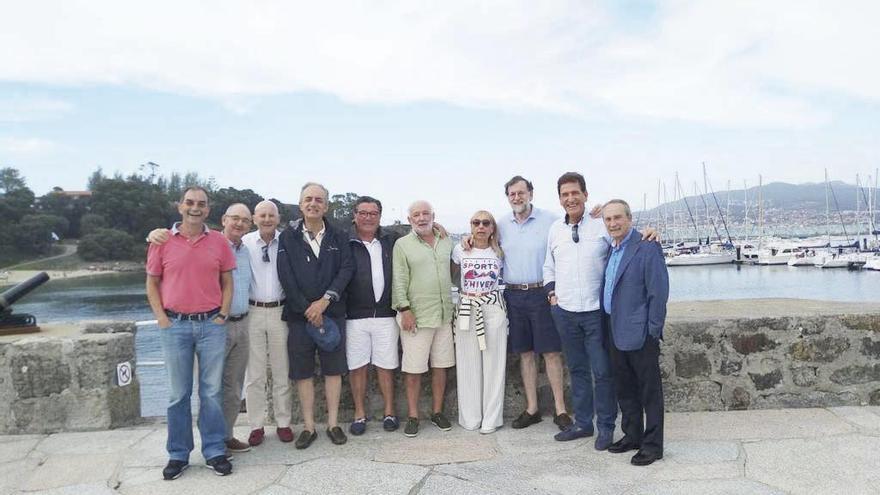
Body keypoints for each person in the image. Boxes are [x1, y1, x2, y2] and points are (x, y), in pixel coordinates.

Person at [145, 187, 235, 479]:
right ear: (180, 206)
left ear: (208, 210)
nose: (195, 208)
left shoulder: (219, 242)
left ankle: (214, 450)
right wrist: (161, 319)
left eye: (201, 204)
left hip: (212, 324)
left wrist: (223, 314)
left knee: (211, 392)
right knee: (177, 394)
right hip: (175, 325)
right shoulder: (161, 241)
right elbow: (152, 284)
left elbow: (227, 282)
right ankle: (178, 454)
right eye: (190, 203)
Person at [277, 182, 354, 449]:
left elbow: (346, 270)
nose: (313, 203)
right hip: (300, 316)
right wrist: (308, 309)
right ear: (300, 204)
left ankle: (333, 424)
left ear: (326, 206)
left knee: (334, 370)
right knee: (303, 373)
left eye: (319, 200)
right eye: (308, 199)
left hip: (333, 313)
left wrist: (324, 302)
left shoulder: (340, 236)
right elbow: (285, 275)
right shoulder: (287, 237)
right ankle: (309, 427)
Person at [543, 172, 617, 451]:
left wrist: (649, 234)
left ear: (585, 195)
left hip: (597, 312)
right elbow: (548, 266)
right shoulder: (555, 230)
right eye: (565, 194)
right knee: (577, 370)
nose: (570, 198)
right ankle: (584, 424)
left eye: (575, 193)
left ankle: (607, 427)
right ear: (560, 199)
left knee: (602, 371)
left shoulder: (602, 224)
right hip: (566, 311)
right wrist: (551, 294)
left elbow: (624, 244)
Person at [496, 176, 572, 430]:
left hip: (542, 294)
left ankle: (561, 410)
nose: (517, 198)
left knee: (551, 352)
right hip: (513, 296)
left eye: (521, 193)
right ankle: (532, 409)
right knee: (525, 354)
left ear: (531, 193)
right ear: (507, 197)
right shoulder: (500, 224)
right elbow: (481, 240)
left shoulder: (551, 220)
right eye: (512, 195)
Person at [601, 199, 669, 466]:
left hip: (641, 333)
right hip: (614, 329)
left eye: (618, 218)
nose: (613, 223)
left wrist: (653, 330)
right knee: (625, 389)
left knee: (649, 392)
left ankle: (653, 446)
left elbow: (658, 291)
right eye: (608, 219)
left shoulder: (646, 246)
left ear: (629, 219)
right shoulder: (611, 248)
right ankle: (632, 435)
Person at [392, 200, 455, 437]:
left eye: (425, 213)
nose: (421, 218)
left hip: (443, 314)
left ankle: (437, 412)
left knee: (441, 366)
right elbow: (399, 278)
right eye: (416, 215)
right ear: (409, 220)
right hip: (416, 315)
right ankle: (413, 415)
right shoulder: (402, 244)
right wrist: (404, 309)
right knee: (414, 369)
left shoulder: (446, 240)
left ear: (433, 216)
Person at [346, 196, 401, 434]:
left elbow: (419, 238)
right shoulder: (344, 241)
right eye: (363, 212)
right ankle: (359, 414)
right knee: (357, 366)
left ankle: (389, 412)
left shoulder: (391, 240)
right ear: (355, 215)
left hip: (386, 314)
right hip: (355, 316)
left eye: (373, 213)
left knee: (386, 365)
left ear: (380, 215)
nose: (368, 217)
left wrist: (438, 229)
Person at [242, 200, 295, 446]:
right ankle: (256, 425)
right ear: (254, 218)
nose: (266, 219)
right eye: (262, 215)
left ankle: (283, 423)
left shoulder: (287, 242)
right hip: (253, 310)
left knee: (282, 369)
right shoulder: (244, 243)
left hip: (280, 310)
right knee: (255, 373)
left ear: (278, 218)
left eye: (270, 215)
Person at [451, 210, 508, 434]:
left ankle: (491, 419)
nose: (481, 226)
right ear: (471, 226)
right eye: (476, 222)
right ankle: (470, 418)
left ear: (492, 227)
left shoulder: (500, 252)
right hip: (467, 308)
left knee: (494, 365)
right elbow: (453, 276)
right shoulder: (460, 250)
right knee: (467, 364)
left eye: (486, 223)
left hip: (493, 308)